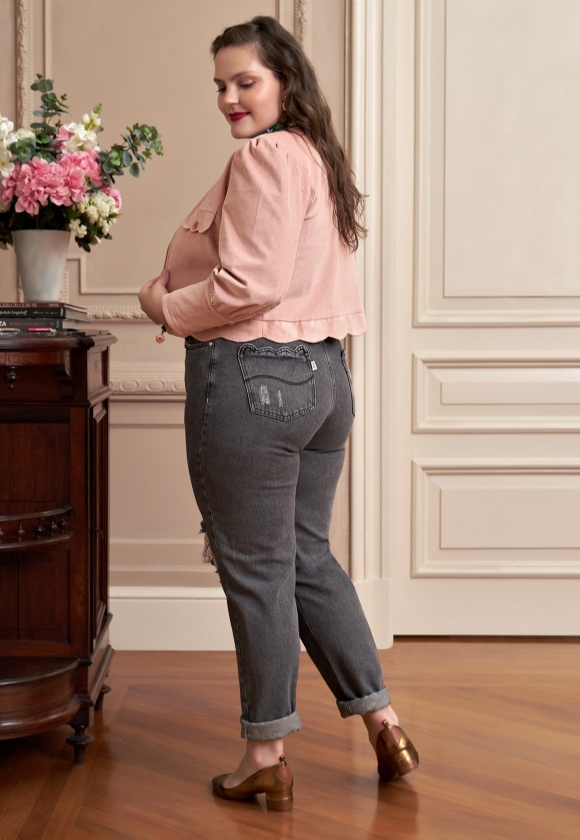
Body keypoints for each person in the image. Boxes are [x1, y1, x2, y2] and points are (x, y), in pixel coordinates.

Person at [138, 15, 418, 812]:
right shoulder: (315, 156)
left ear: (284, 81)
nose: (230, 98)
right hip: (325, 378)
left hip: (255, 378)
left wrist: (161, 304)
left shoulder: (262, 157)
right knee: (307, 557)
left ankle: (265, 754)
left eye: (245, 81)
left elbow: (250, 285)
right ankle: (385, 724)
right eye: (220, 86)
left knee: (260, 569)